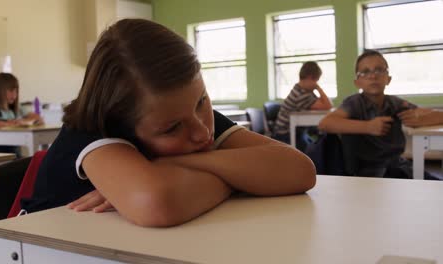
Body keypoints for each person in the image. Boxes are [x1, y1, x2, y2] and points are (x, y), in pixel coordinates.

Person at [21, 19, 316, 227]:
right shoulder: (92, 129)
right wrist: (242, 177)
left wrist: (170, 169)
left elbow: (299, 170)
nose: (202, 131)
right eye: (172, 128)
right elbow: (158, 203)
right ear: (121, 122)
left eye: (202, 101)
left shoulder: (183, 112)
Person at [318, 49, 432, 178]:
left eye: (379, 70)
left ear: (388, 79)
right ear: (357, 82)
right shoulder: (354, 103)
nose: (373, 76)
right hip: (369, 172)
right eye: (365, 72)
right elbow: (325, 123)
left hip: (397, 165)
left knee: (434, 184)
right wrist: (368, 127)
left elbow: (424, 113)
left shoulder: (394, 103)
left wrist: (422, 117)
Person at [0, 72, 43, 153]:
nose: (14, 95)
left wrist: (22, 122)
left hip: (14, 154)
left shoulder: (16, 108)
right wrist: (7, 123)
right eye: (11, 91)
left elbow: (37, 118)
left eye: (16, 91)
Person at [273, 61, 332, 151]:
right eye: (316, 81)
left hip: (292, 132)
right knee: (318, 143)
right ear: (310, 78)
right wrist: (318, 88)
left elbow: (324, 104)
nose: (316, 83)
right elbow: (328, 105)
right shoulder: (302, 95)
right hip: (285, 135)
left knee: (318, 138)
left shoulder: (301, 90)